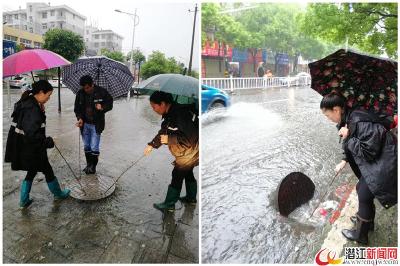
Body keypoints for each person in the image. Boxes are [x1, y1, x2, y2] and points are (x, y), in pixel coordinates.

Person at [320, 91, 397, 244]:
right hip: (377, 162)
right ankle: (367, 222)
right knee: (362, 190)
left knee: (364, 194)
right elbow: (355, 143)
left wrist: (348, 137)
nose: (328, 119)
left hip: (384, 163)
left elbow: (368, 151)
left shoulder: (359, 121)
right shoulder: (348, 118)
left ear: (336, 109)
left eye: (327, 115)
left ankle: (361, 235)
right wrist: (344, 160)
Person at [5, 80, 70, 208]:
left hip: (25, 146)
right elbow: (32, 134)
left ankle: (24, 200)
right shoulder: (32, 108)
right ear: (40, 92)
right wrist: (48, 142)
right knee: (47, 169)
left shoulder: (29, 103)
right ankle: (58, 194)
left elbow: (32, 126)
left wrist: (41, 110)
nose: (49, 98)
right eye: (48, 95)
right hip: (32, 147)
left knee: (32, 170)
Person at [144, 91, 199, 212]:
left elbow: (190, 138)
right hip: (185, 151)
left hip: (192, 150)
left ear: (162, 104)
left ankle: (169, 205)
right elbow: (163, 132)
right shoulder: (169, 114)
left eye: (154, 106)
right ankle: (191, 198)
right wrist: (152, 145)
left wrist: (170, 139)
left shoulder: (180, 115)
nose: (153, 110)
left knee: (177, 175)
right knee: (188, 172)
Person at [74, 75, 113, 175]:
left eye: (87, 87)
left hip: (97, 124)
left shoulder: (102, 92)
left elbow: (110, 104)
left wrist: (102, 107)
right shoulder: (80, 93)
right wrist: (80, 118)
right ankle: (88, 165)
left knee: (94, 147)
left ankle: (93, 167)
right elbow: (77, 108)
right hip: (85, 125)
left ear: (92, 84)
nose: (85, 90)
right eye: (83, 88)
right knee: (87, 146)